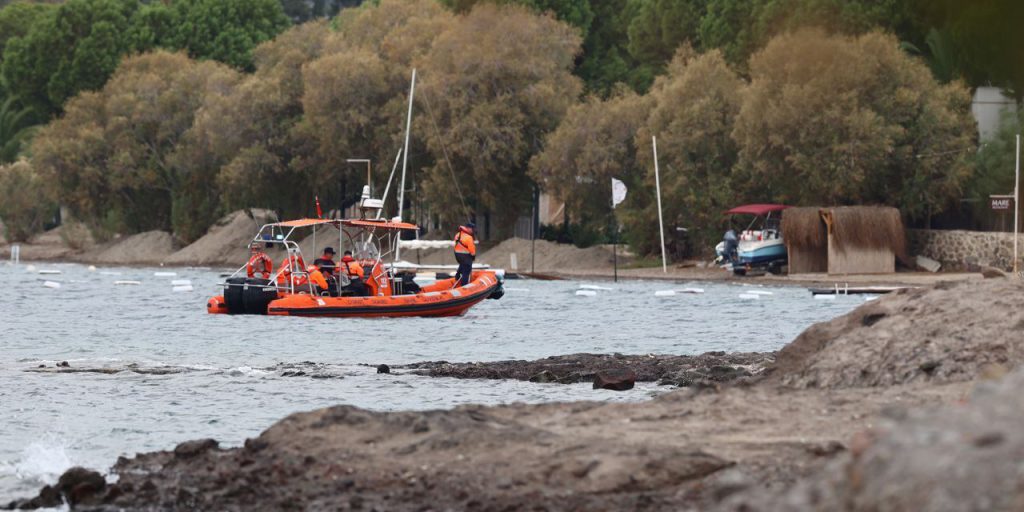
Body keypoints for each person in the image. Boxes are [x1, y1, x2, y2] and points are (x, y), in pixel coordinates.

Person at [453, 222, 476, 286]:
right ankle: (464, 286)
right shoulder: (469, 237)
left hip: (457, 255)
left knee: (462, 265)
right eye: (472, 228)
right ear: (468, 228)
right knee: (466, 271)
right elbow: (472, 249)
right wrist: (473, 256)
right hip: (465, 256)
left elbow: (456, 243)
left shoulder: (458, 234)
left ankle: (457, 275)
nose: (473, 230)